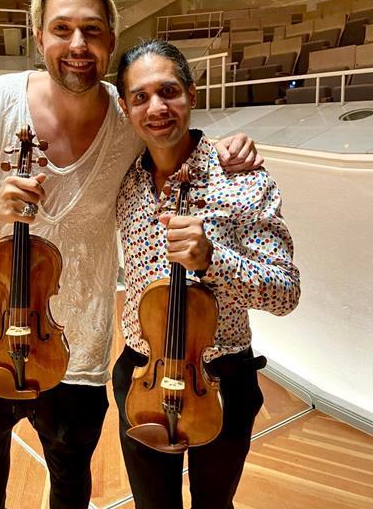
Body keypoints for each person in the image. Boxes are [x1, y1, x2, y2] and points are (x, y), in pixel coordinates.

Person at [0, 0, 262, 509]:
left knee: (70, 475)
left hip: (79, 349)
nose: (76, 45)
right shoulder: (0, 98)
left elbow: (174, 136)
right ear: (38, 35)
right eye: (61, 29)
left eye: (91, 31)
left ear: (111, 40)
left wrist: (229, 146)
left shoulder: (127, 115)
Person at [113, 39, 301, 509]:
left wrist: (212, 259)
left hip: (220, 378)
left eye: (168, 91)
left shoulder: (242, 177)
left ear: (192, 96)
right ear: (125, 107)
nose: (156, 108)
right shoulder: (127, 181)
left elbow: (286, 292)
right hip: (142, 374)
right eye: (140, 96)